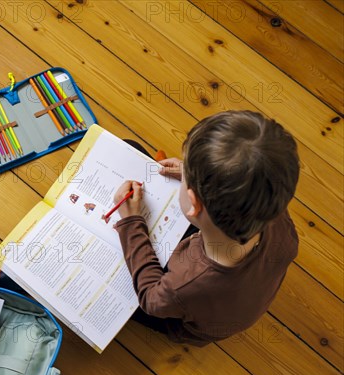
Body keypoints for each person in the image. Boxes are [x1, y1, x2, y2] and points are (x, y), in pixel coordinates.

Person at [113, 110, 300, 346]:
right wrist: (198, 177)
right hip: (237, 288)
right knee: (130, 147)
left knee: (120, 289)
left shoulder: (188, 283)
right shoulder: (270, 207)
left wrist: (131, 223)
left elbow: (151, 299)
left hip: (187, 320)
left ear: (193, 203)